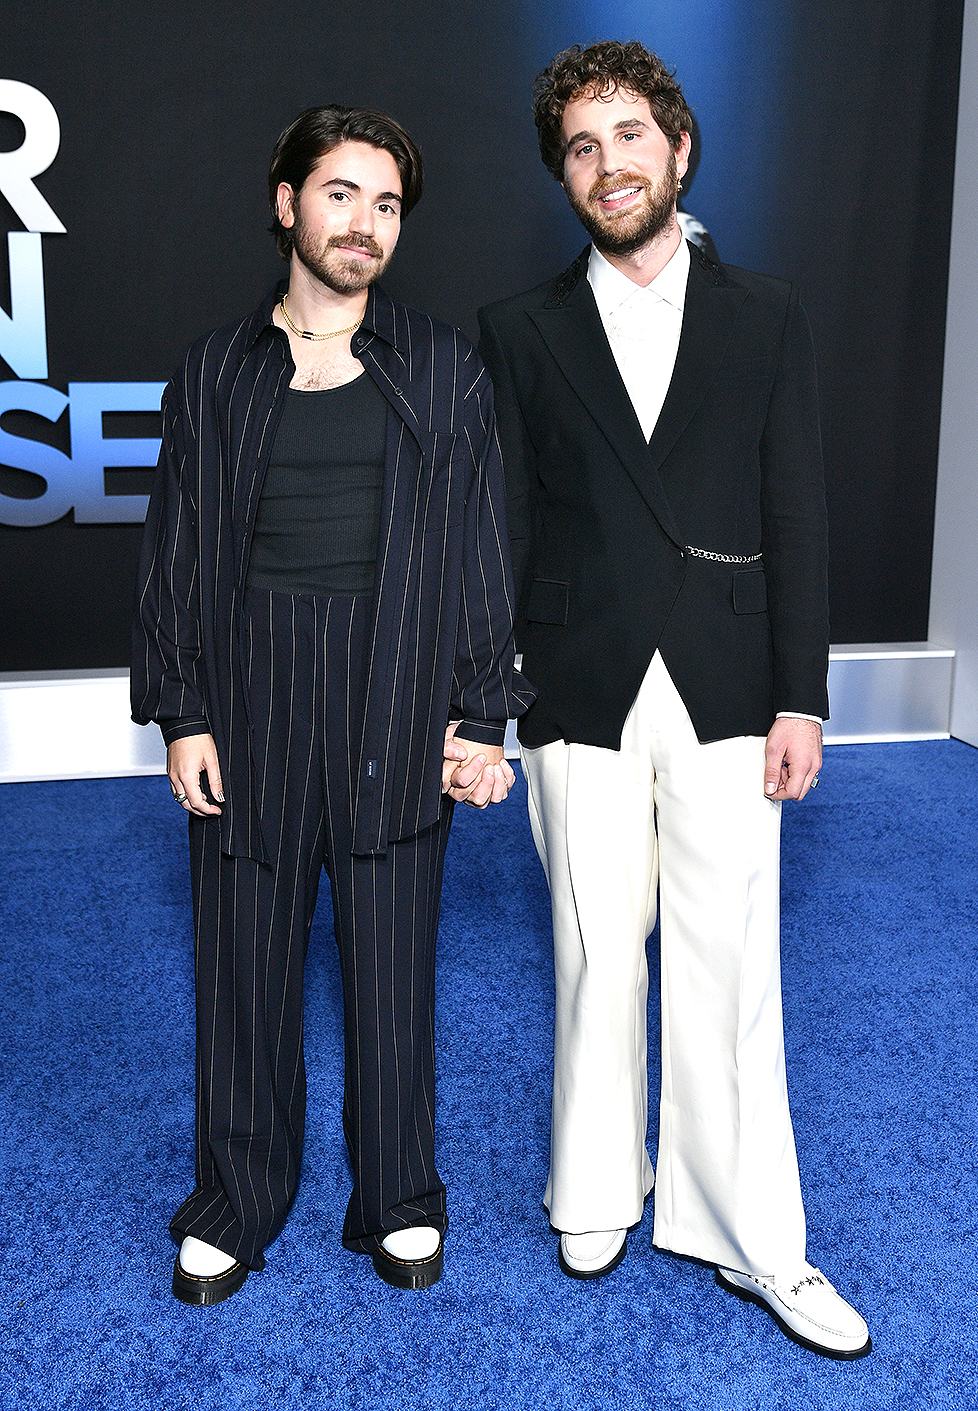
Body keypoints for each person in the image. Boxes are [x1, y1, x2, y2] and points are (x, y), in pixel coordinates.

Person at [478, 41, 870, 1360]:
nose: (608, 163)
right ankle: (591, 1188)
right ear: (565, 175)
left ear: (681, 150)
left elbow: (796, 512)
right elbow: (506, 529)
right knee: (593, 954)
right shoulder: (520, 330)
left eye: (629, 135)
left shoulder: (766, 315)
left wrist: (804, 697)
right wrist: (490, 700)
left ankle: (757, 1236)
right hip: (576, 689)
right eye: (581, 146)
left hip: (727, 685)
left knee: (733, 969)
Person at [132, 103, 532, 1305]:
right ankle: (236, 1200)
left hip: (395, 701)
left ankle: (398, 1196)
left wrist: (480, 715)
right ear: (287, 203)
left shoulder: (442, 365)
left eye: (388, 204)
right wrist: (183, 711)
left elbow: (478, 547)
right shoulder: (214, 369)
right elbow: (175, 547)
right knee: (242, 969)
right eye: (342, 193)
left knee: (394, 971)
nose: (365, 223)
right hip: (248, 701)